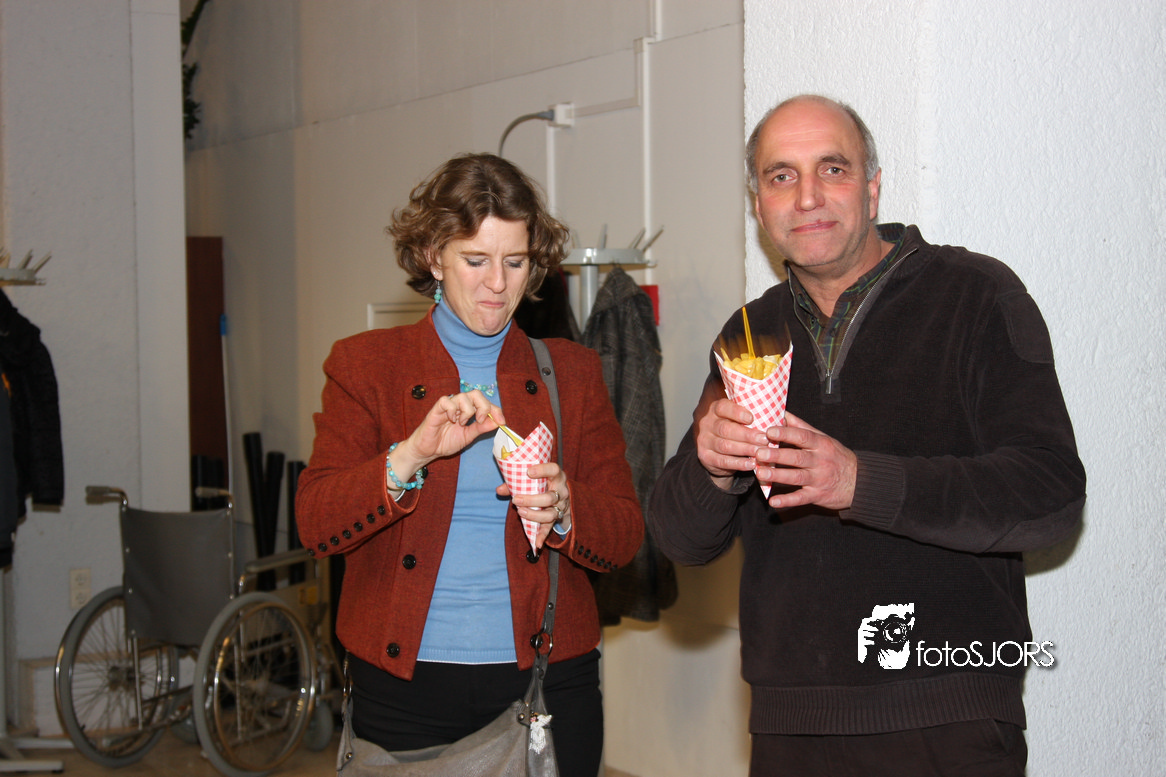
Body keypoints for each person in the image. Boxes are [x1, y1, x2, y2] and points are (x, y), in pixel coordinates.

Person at [646, 95, 1086, 776]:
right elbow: (680, 539)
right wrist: (712, 469)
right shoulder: (749, 333)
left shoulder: (976, 296)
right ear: (758, 206)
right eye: (782, 176)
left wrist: (861, 482)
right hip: (789, 727)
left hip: (947, 718)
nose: (807, 196)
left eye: (833, 168)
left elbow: (1051, 495)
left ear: (873, 189)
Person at [296, 152, 644, 777]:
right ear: (433, 256)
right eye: (475, 260)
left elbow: (624, 535)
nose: (498, 284)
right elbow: (316, 523)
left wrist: (567, 507)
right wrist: (411, 455)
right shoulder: (365, 366)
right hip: (403, 691)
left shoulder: (571, 373)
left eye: (515, 262)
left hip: (548, 683)